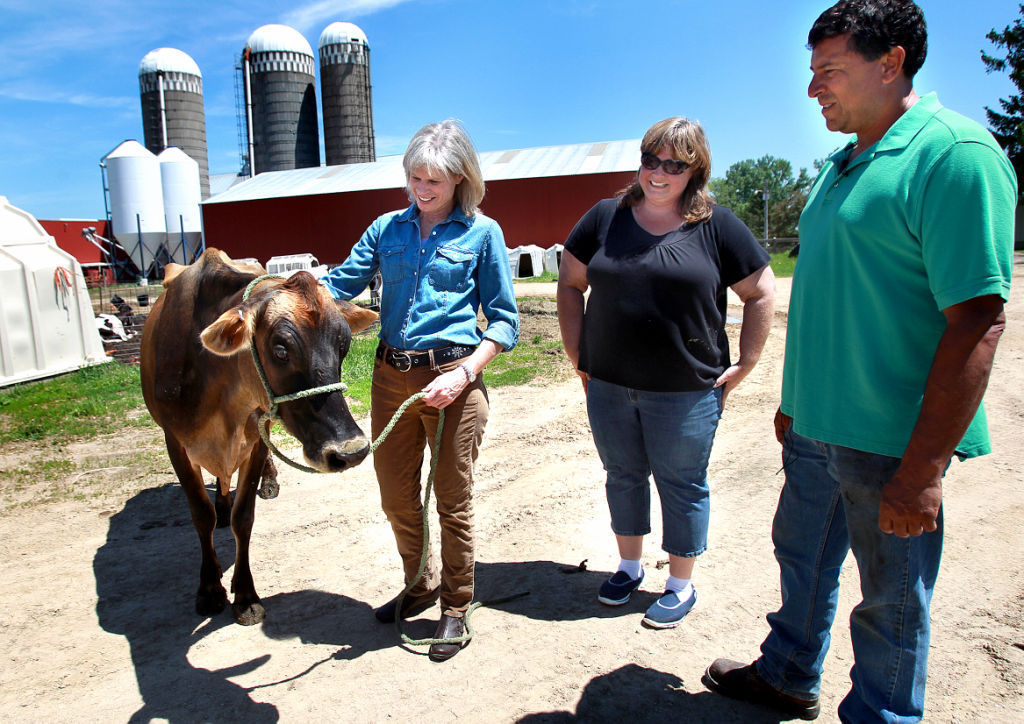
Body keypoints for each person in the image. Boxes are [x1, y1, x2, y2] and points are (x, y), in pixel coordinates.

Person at [702, 1, 1017, 721]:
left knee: (891, 600)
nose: (814, 88)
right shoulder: (843, 164)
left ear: (891, 62)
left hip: (890, 440)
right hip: (817, 424)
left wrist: (924, 470)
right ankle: (788, 673)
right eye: (813, 72)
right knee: (801, 560)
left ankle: (881, 714)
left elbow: (976, 320)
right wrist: (793, 400)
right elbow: (829, 293)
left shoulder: (954, 155)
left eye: (830, 71)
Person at [557, 117, 776, 629]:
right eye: (650, 160)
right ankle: (630, 567)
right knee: (623, 476)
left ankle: (680, 583)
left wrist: (747, 361)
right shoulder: (604, 217)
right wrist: (577, 353)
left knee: (682, 483)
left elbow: (761, 292)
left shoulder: (716, 225)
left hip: (686, 392)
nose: (658, 173)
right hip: (608, 385)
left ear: (693, 168)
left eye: (673, 164)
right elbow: (570, 283)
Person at [321, 119, 519, 662]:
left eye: (435, 179)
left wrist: (463, 374)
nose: (423, 189)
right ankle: (420, 582)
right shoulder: (387, 229)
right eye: (415, 177)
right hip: (391, 378)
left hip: (455, 377)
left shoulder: (484, 233)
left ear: (460, 179)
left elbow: (504, 322)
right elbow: (338, 285)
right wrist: (278, 291)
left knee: (452, 500)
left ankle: (455, 605)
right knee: (395, 495)